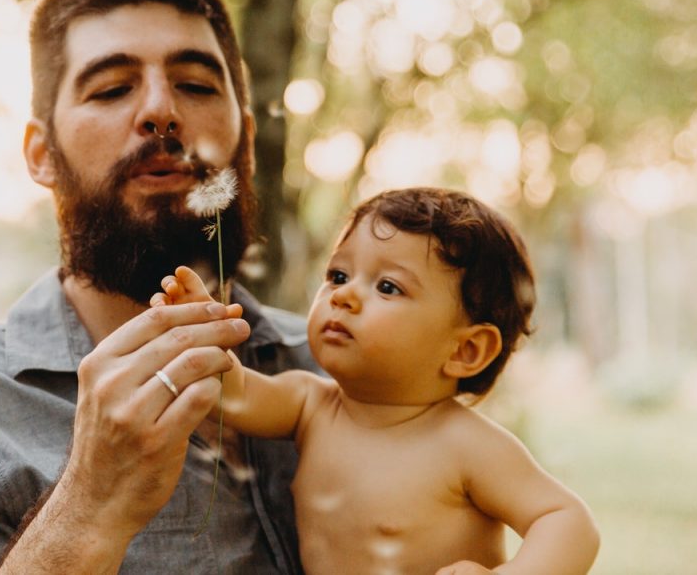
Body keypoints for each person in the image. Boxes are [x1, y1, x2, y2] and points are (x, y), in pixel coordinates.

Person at [0, 0, 318, 573]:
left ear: (246, 143)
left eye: (195, 85)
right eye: (112, 88)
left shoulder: (342, 372)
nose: (160, 110)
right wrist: (89, 507)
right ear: (41, 153)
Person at [154, 187, 601, 575]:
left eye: (387, 287)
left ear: (464, 351)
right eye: (338, 275)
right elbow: (234, 391)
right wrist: (196, 326)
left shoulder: (465, 444)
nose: (343, 296)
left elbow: (567, 521)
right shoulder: (310, 405)